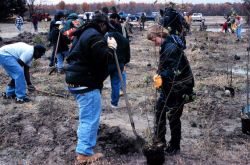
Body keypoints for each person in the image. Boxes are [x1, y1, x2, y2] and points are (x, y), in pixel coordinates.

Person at [64, 13, 117, 164]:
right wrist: (112, 49)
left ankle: (84, 146)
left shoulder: (83, 33)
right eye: (106, 27)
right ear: (101, 24)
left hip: (76, 79)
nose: (106, 31)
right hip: (85, 82)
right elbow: (104, 59)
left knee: (86, 117)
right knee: (90, 118)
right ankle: (84, 154)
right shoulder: (94, 36)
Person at [148, 4, 195, 155]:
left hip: (179, 87)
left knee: (173, 117)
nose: (153, 43)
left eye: (154, 39)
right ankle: (159, 140)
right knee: (160, 111)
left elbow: (175, 71)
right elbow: (167, 67)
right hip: (171, 87)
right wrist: (160, 76)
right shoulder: (166, 46)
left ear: (160, 35)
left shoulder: (171, 48)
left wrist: (161, 77)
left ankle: (174, 147)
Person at [105, 27, 130, 108]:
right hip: (119, 64)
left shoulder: (106, 37)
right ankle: (114, 103)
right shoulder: (124, 40)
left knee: (98, 82)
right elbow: (128, 56)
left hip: (107, 64)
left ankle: (95, 102)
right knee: (116, 84)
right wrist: (124, 63)